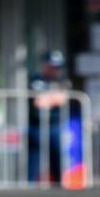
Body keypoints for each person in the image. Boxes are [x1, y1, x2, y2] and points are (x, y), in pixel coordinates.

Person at [28, 50, 71, 184]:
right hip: (37, 125)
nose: (55, 69)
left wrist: (48, 99)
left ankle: (60, 195)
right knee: (33, 161)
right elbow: (38, 102)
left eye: (57, 66)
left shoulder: (62, 80)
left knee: (58, 161)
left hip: (55, 125)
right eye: (52, 65)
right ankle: (27, 195)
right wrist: (52, 98)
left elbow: (62, 99)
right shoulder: (35, 79)